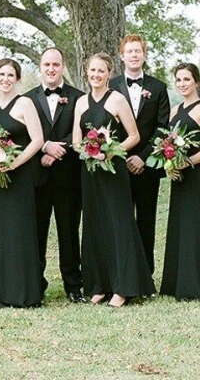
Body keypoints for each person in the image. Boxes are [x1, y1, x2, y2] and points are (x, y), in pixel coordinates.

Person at [72, 52, 155, 307]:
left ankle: (123, 287)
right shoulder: (81, 102)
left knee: (119, 224)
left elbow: (134, 136)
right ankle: (99, 284)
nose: (96, 75)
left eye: (101, 71)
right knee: (95, 224)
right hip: (90, 172)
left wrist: (109, 151)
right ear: (86, 72)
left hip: (113, 171)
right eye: (92, 70)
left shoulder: (117, 99)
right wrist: (87, 151)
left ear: (109, 74)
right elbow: (76, 140)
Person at [0, 58, 44, 308]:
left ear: (17, 79)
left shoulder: (25, 103)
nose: (5, 79)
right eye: (1, 74)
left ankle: (22, 293)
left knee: (18, 231)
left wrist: (15, 163)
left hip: (20, 176)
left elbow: (37, 140)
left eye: (10, 75)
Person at [23, 47, 85, 303]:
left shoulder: (79, 98)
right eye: (47, 64)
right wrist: (44, 146)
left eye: (56, 64)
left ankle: (73, 286)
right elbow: (23, 134)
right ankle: (36, 284)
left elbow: (82, 129)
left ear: (63, 66)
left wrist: (58, 149)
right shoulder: (27, 99)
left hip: (68, 178)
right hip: (37, 178)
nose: (51, 69)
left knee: (69, 234)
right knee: (36, 233)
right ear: (40, 66)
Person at [110, 34, 170, 275]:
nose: (134, 55)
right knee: (120, 221)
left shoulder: (158, 87)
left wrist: (143, 157)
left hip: (148, 165)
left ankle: (145, 275)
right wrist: (123, 156)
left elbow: (162, 127)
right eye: (129, 51)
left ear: (144, 55)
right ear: (121, 56)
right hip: (116, 164)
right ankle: (121, 273)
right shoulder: (111, 85)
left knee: (146, 220)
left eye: (138, 51)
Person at [160, 63, 200, 300]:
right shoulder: (174, 111)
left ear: (196, 81)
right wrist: (170, 165)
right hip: (179, 176)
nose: (182, 84)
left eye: (187, 79)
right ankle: (178, 281)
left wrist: (188, 162)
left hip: (196, 174)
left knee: (195, 226)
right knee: (180, 225)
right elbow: (168, 144)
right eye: (178, 80)